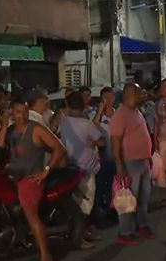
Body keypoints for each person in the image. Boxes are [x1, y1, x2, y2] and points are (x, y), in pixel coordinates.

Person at [0, 98, 66, 261]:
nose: (23, 115)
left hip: (30, 180)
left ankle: (45, 257)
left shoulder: (36, 129)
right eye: (19, 112)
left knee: (33, 218)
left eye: (25, 111)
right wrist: (4, 125)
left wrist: (46, 170)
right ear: (12, 112)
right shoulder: (11, 130)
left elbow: (59, 148)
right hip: (13, 178)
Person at [110, 83, 155, 246]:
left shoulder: (136, 111)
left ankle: (141, 225)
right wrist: (119, 166)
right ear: (131, 94)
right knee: (128, 200)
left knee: (143, 197)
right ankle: (125, 232)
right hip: (130, 162)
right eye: (139, 92)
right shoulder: (120, 114)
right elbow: (115, 142)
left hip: (142, 161)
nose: (143, 95)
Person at [60, 91, 105, 248]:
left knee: (76, 204)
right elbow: (101, 142)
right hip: (85, 170)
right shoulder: (86, 124)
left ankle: (82, 233)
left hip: (69, 168)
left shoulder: (64, 123)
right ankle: (78, 238)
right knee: (84, 207)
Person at [91, 87, 117, 226]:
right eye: (106, 97)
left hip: (117, 155)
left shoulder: (118, 114)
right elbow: (92, 127)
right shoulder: (97, 116)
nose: (109, 100)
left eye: (111, 97)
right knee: (100, 186)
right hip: (103, 156)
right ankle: (98, 215)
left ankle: (111, 211)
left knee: (113, 186)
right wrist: (99, 111)